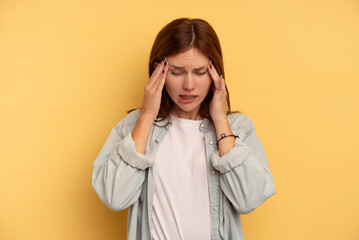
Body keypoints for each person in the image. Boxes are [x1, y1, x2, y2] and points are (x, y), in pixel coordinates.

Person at [92, 17, 275, 240]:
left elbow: (249, 198)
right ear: (158, 70)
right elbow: (114, 197)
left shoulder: (238, 128)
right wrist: (148, 115)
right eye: (177, 72)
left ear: (215, 72)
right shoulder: (134, 126)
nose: (189, 85)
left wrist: (219, 120)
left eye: (199, 72)